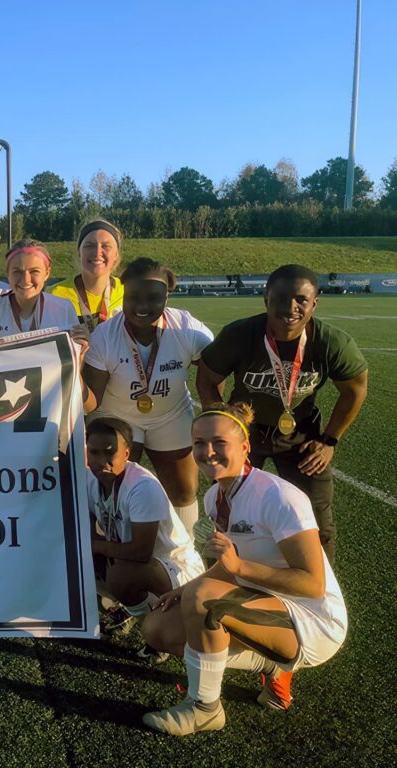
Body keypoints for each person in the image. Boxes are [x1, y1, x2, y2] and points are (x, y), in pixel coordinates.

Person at [140, 403, 346, 736]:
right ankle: (272, 664)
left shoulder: (279, 497)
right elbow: (230, 569)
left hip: (313, 620)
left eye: (219, 442)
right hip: (265, 601)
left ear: (245, 447)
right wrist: (182, 589)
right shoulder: (214, 497)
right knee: (159, 629)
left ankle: (205, 708)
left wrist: (237, 568)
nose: (208, 452)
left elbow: (312, 584)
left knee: (205, 599)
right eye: (198, 443)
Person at [196, 264, 368, 563]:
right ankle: (222, 579)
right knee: (227, 512)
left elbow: (355, 389)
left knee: (317, 519)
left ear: (315, 303)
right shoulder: (240, 334)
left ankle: (318, 593)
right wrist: (224, 429)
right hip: (245, 432)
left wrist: (329, 441)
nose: (291, 307)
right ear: (266, 298)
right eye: (281, 298)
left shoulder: (331, 343)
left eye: (301, 299)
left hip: (301, 435)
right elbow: (207, 378)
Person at [83, 258, 213, 535]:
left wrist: (214, 412)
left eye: (153, 298)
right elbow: (92, 400)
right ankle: (117, 548)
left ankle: (183, 552)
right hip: (118, 416)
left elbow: (214, 369)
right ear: (122, 294)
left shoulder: (186, 327)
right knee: (114, 485)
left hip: (171, 414)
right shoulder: (105, 335)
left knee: (183, 491)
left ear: (167, 295)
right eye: (133, 298)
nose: (142, 306)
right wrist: (71, 375)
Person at [85, 417, 204, 653]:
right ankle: (131, 606)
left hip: (177, 568)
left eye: (110, 453)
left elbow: (141, 551)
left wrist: (94, 547)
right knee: (73, 556)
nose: (101, 462)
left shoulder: (142, 487)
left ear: (127, 453)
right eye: (94, 453)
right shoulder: (91, 477)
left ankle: (156, 632)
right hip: (136, 561)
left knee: (120, 573)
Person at [0, 239, 77, 338]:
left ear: (47, 273)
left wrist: (80, 352)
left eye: (34, 271)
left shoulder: (64, 309)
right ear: (8, 274)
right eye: (17, 272)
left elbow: (73, 355)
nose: (25, 280)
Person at [49, 219, 125, 332]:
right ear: (79, 253)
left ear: (116, 255)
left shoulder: (128, 292)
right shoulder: (55, 295)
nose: (97, 252)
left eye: (106, 246)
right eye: (90, 246)